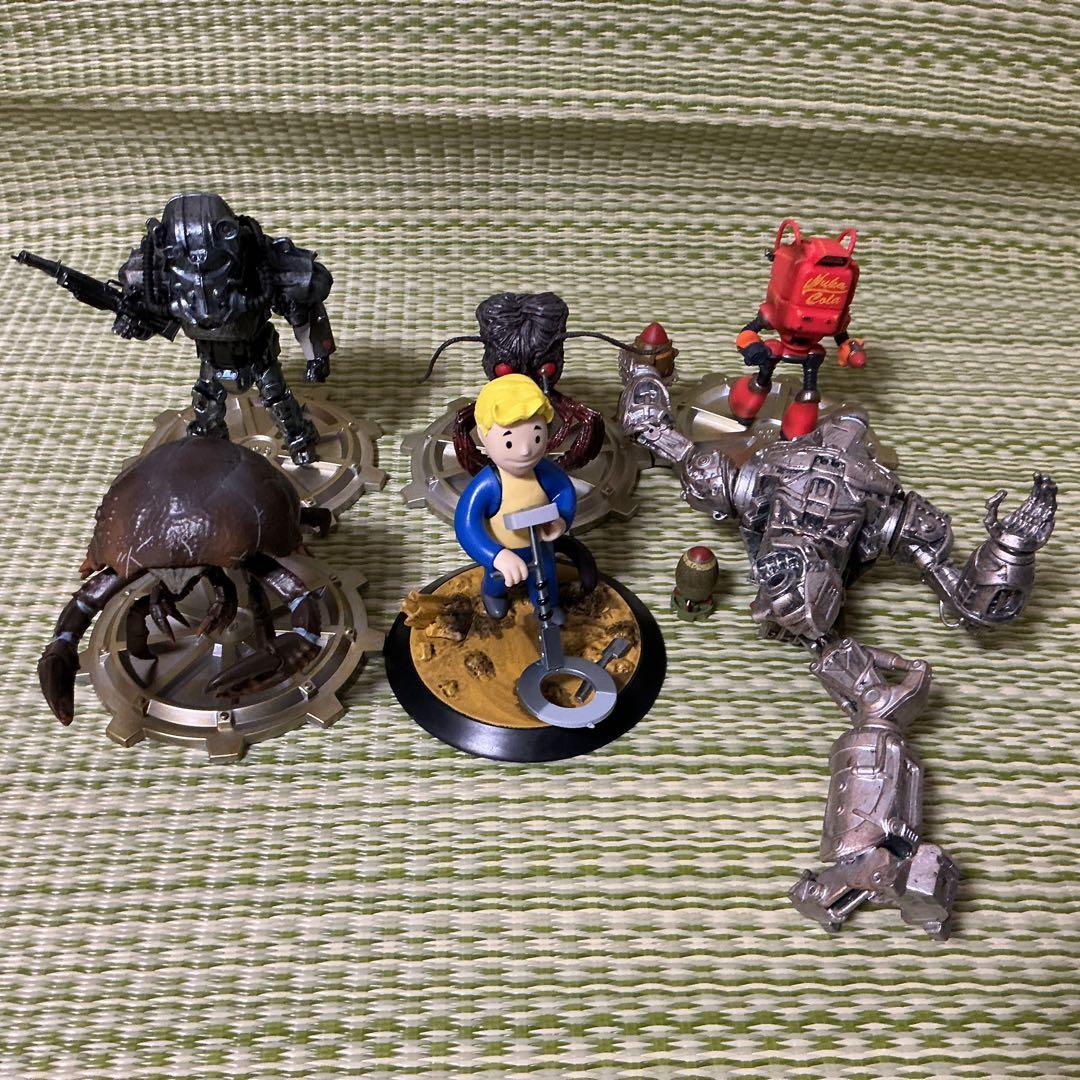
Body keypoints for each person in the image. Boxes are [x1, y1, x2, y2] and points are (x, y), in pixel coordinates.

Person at [454, 375, 576, 620]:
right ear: (483, 436)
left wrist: (561, 520)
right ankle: (493, 595)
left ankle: (546, 606)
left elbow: (564, 492)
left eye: (537, 437)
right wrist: (495, 555)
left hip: (539, 543)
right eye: (509, 442)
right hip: (504, 547)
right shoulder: (489, 485)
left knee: (546, 576)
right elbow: (466, 525)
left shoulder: (545, 472)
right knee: (498, 580)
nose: (525, 450)